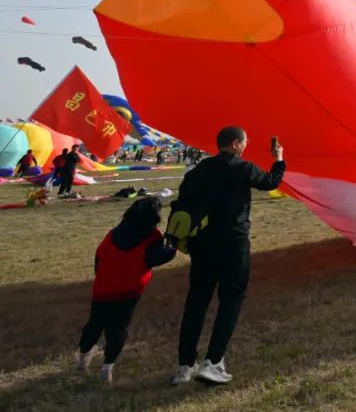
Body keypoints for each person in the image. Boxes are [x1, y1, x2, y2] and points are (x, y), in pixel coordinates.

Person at [172, 126, 285, 386]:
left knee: (196, 302)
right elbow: (270, 182)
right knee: (231, 299)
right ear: (235, 144)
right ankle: (213, 361)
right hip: (233, 244)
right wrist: (278, 158)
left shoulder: (199, 170)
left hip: (202, 245)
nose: (246, 145)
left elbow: (182, 201)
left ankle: (184, 365)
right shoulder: (242, 168)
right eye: (245, 142)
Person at [77, 196, 176, 385]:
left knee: (95, 324)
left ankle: (82, 359)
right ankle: (107, 367)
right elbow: (157, 258)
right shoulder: (151, 237)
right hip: (128, 291)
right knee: (118, 327)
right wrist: (172, 245)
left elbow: (99, 258)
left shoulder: (112, 234)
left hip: (103, 288)